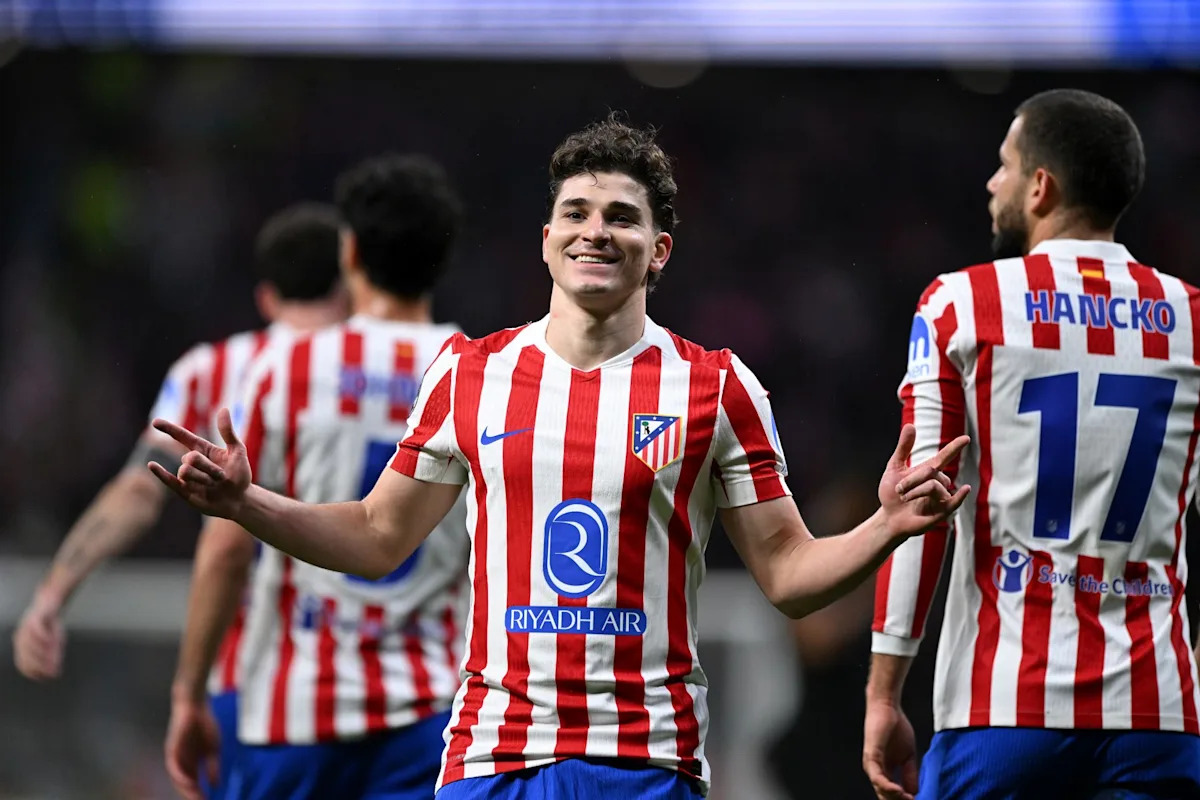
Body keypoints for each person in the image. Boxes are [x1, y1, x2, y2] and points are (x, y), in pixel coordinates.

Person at [149, 114, 968, 800]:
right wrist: (246, 504)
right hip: (492, 757)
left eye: (621, 216)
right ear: (547, 241)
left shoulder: (716, 386)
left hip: (644, 759)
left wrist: (886, 525)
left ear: (660, 249)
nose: (595, 230)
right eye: (576, 212)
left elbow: (788, 575)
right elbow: (375, 535)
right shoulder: (470, 374)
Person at [865, 88, 1200, 800]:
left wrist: (883, 692)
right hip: (1160, 715)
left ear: (1040, 186)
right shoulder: (1192, 320)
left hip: (1002, 710)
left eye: (1005, 165)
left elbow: (919, 508)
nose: (993, 183)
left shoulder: (959, 304)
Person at [13, 202, 347, 798]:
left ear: (267, 297)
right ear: (352, 285)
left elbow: (137, 490)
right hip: (399, 684)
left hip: (255, 688)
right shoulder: (407, 369)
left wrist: (52, 593)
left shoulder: (213, 370)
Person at [163, 153, 470, 800]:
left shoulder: (287, 366)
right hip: (433, 711)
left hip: (295, 710)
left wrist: (190, 692)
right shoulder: (483, 373)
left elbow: (227, 544)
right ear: (443, 259)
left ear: (349, 252)